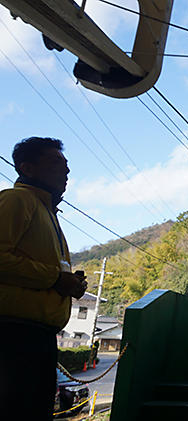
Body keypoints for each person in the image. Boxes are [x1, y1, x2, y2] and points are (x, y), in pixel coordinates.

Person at [0, 137, 87, 420]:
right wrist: (55, 279)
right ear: (27, 168)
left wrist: (68, 283)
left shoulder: (47, 212)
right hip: (12, 336)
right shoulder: (16, 200)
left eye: (67, 165)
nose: (66, 171)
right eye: (55, 163)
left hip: (39, 337)